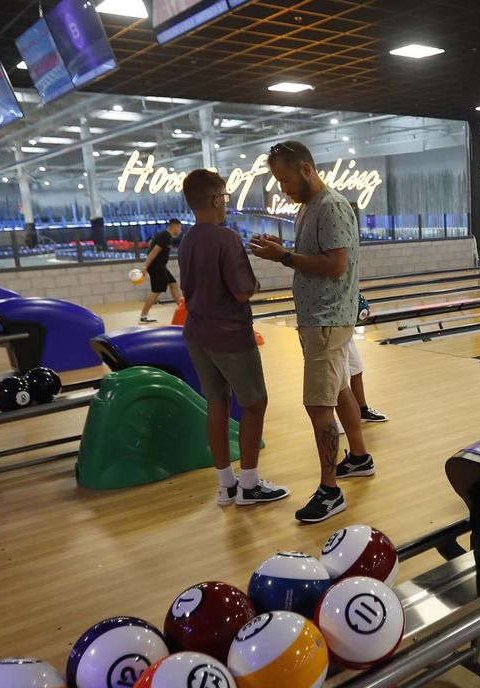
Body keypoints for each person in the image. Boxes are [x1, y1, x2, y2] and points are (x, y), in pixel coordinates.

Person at [249, 139, 374, 524]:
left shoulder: (331, 205)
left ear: (306, 168)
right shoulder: (309, 207)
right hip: (320, 317)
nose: (283, 188)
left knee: (318, 405)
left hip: (327, 318)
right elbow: (316, 255)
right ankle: (359, 457)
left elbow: (335, 265)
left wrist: (283, 256)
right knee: (336, 392)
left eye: (285, 179)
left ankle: (330, 490)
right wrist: (283, 247)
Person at [178, 169, 287, 507]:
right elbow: (242, 292)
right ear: (214, 199)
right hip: (229, 335)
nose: (226, 203)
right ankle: (250, 484)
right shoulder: (225, 238)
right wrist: (255, 282)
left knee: (217, 402)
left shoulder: (188, 238)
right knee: (255, 404)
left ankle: (226, 485)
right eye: (224, 197)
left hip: (197, 333)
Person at [139, 218, 184, 323]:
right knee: (156, 291)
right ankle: (143, 316)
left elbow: (152, 245)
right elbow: (154, 251)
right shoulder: (166, 235)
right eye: (180, 227)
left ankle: (183, 310)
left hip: (160, 266)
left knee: (173, 284)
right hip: (156, 266)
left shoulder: (164, 235)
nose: (180, 230)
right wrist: (145, 266)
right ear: (175, 226)